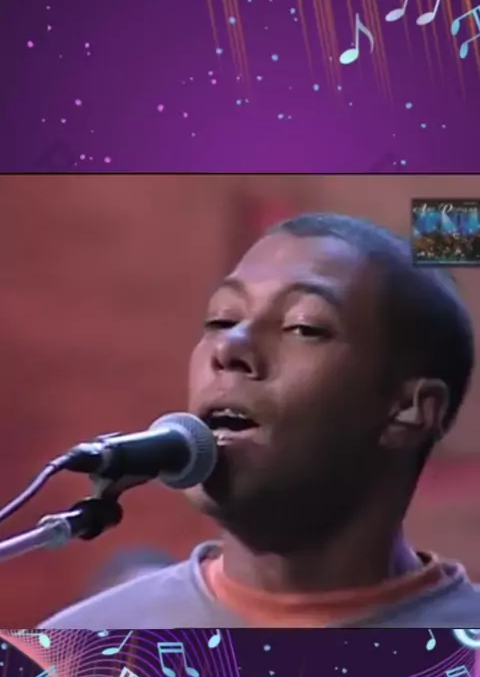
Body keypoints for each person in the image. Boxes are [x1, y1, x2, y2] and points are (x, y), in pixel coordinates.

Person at [40, 212, 480, 628]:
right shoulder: (80, 649)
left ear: (409, 411)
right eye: (222, 319)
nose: (230, 347)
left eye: (304, 327)